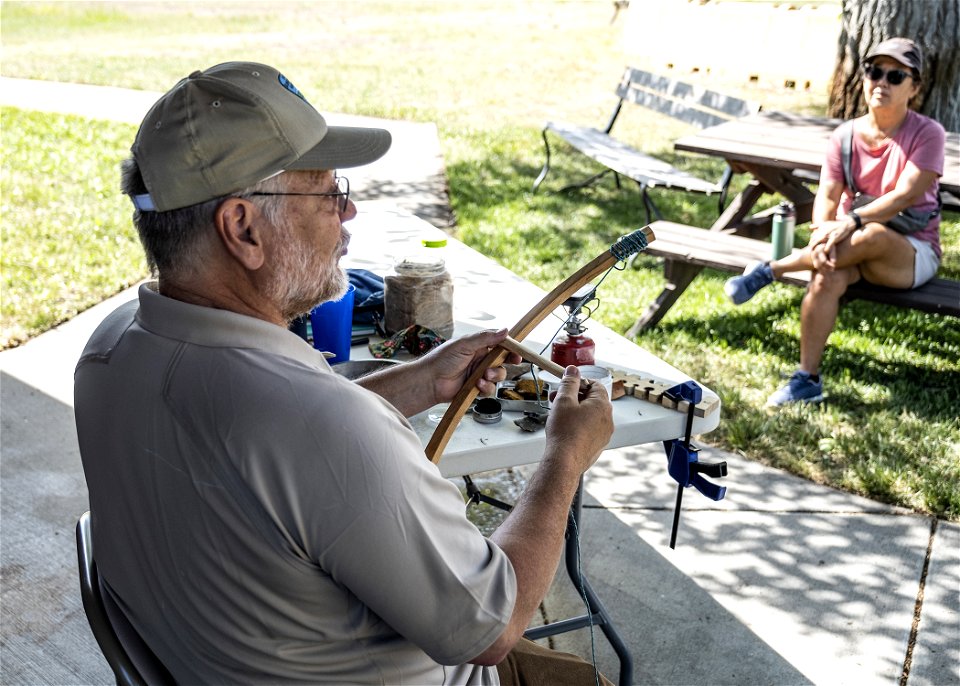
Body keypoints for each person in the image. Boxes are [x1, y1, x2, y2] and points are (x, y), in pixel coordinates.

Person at [74, 62, 616, 684]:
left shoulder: (110, 350)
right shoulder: (321, 428)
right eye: (328, 191)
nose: (349, 210)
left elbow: (268, 462)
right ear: (243, 228)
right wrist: (565, 457)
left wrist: (417, 381)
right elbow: (491, 626)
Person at [724, 37, 945, 407]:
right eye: (874, 72)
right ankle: (807, 379)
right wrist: (822, 234)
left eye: (895, 76)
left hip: (911, 253)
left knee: (871, 234)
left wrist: (851, 221)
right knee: (826, 275)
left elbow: (906, 195)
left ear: (915, 87)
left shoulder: (927, 134)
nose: (882, 83)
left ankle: (772, 270)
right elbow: (827, 197)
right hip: (846, 246)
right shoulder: (845, 136)